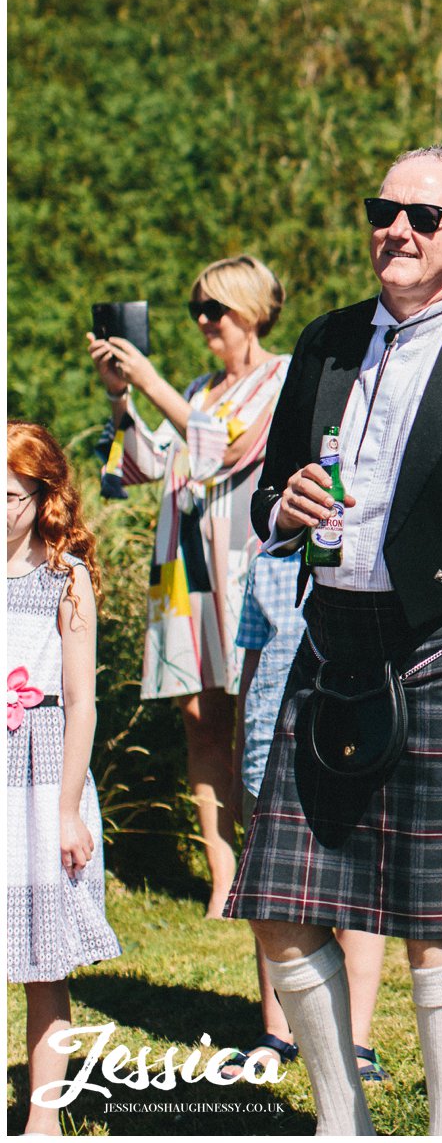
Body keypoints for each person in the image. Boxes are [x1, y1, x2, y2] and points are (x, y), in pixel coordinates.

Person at [226, 145, 442, 1136]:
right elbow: (269, 494)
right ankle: (345, 1121)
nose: (398, 229)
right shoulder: (329, 340)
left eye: (424, 217)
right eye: (385, 209)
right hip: (334, 635)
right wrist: (284, 507)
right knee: (283, 898)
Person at [85, 255, 290, 916]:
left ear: (252, 311)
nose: (204, 321)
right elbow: (141, 467)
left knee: (254, 714)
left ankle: (267, 858)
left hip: (243, 564)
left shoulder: (279, 379)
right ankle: (221, 871)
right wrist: (122, 394)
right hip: (184, 568)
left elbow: (228, 451)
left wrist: (150, 382)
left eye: (216, 309)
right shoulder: (198, 388)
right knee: (200, 719)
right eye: (197, 309)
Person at [222, 546, 391, 1085]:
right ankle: (277, 1030)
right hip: (267, 741)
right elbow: (253, 660)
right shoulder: (267, 561)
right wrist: (240, 747)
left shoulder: (370, 555)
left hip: (345, 738)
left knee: (360, 897)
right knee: (272, 898)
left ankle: (356, 1039)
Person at [8, 422, 123, 1137]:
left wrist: (69, 810)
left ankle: (41, 1119)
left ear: (43, 497)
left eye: (11, 497)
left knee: (42, 959)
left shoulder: (63, 575)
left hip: (40, 772)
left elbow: (80, 701)